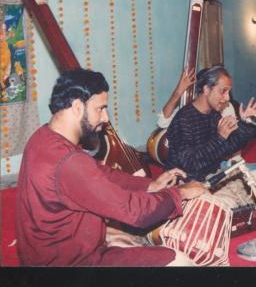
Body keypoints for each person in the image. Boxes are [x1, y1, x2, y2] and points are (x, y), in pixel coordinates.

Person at [16, 68, 207, 267]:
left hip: (46, 256)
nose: (106, 118)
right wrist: (179, 194)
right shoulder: (69, 161)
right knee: (177, 260)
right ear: (77, 107)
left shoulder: (43, 137)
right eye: (100, 109)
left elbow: (97, 173)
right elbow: (135, 213)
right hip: (74, 263)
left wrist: (149, 185)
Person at [165, 65, 256, 204]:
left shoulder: (213, 115)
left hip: (213, 177)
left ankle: (224, 197)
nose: (227, 98)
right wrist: (220, 138)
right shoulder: (184, 119)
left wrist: (246, 125)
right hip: (189, 184)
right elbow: (190, 164)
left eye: (228, 92)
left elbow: (227, 148)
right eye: (223, 91)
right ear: (206, 89)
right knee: (229, 201)